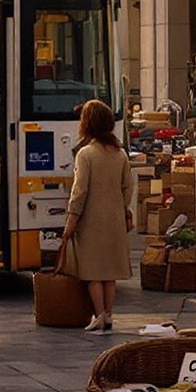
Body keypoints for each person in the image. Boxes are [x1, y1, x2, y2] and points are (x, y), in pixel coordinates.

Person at [61, 98, 138, 333]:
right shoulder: (120, 153)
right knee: (109, 272)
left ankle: (99, 315)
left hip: (91, 221)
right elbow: (127, 187)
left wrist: (71, 219)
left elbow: (80, 191)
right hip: (114, 219)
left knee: (93, 271)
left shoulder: (85, 154)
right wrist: (121, 209)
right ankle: (109, 314)